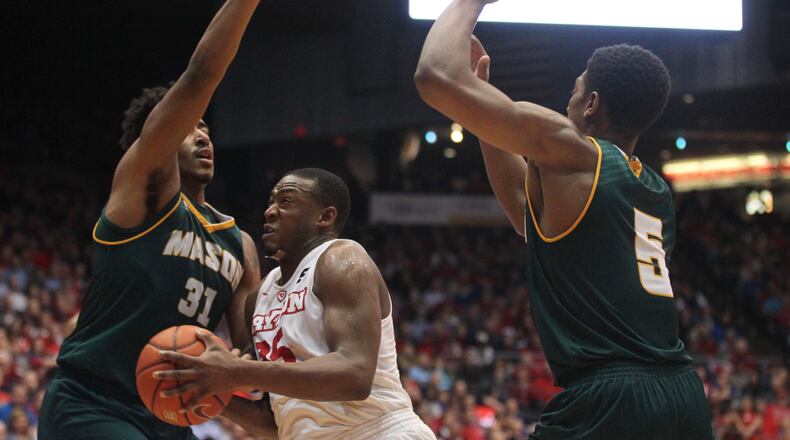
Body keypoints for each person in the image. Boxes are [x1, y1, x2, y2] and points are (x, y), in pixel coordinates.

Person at [414, 1, 713, 438]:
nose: (567, 101)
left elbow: (434, 78)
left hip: (610, 400)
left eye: (574, 91)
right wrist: (480, 114)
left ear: (591, 104)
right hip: (682, 395)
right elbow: (524, 210)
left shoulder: (574, 149)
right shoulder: (653, 189)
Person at [38, 1, 262, 438]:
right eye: (190, 126)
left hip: (170, 415)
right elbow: (200, 76)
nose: (202, 135)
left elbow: (247, 351)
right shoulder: (146, 191)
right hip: (94, 401)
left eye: (207, 129)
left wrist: (242, 368)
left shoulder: (241, 245)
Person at [155, 168, 436, 439]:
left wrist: (236, 372)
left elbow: (355, 375)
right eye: (270, 202)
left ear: (325, 217)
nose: (270, 211)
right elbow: (274, 423)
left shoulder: (341, 259)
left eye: (286, 201)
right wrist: (206, 389)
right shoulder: (259, 297)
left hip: (377, 432)